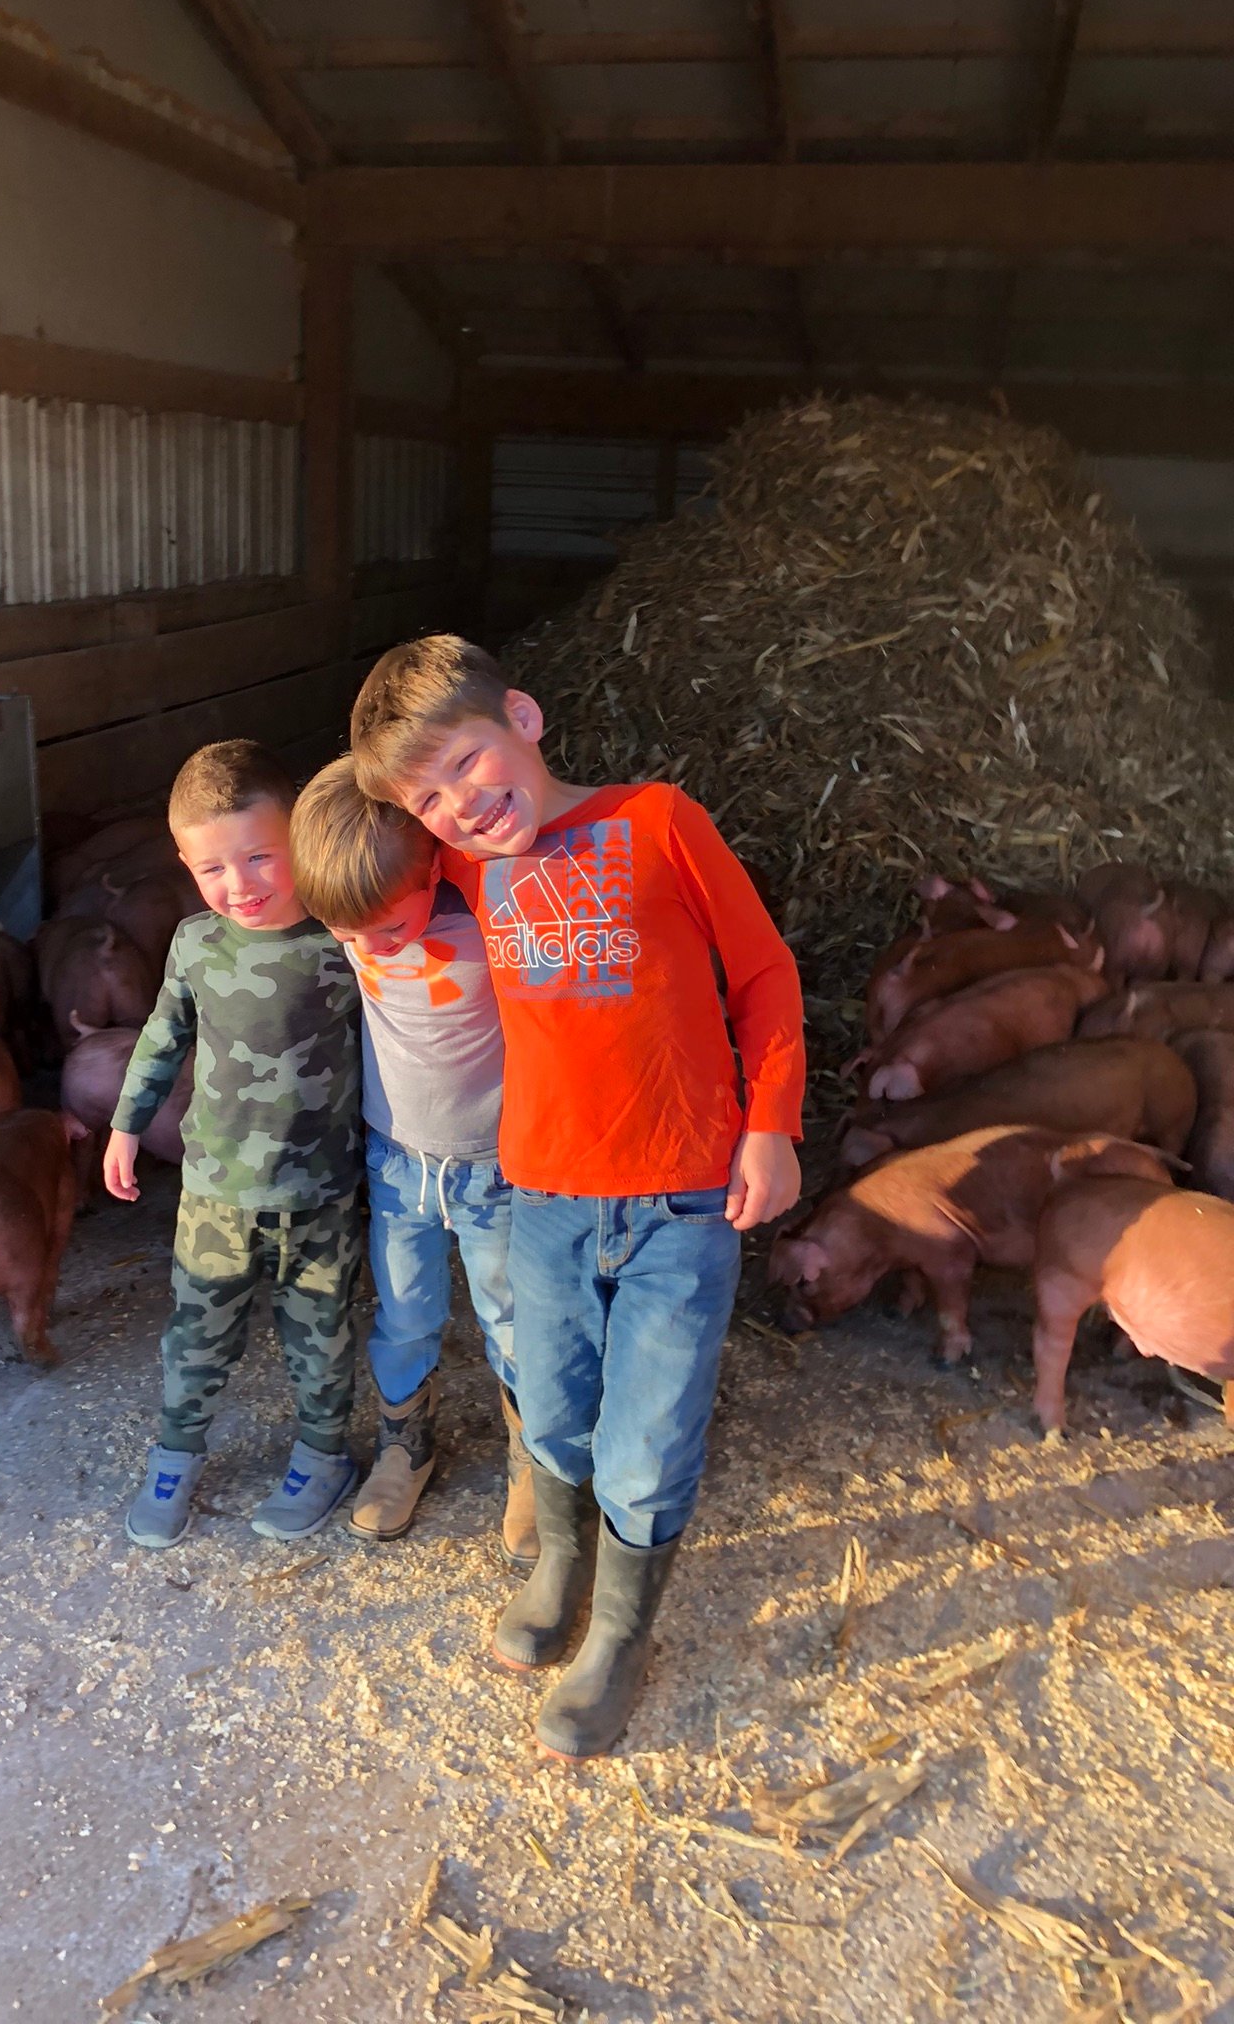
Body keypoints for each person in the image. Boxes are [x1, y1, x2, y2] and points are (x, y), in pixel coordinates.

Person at [350, 635, 806, 1759]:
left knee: (648, 1430)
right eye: (431, 797)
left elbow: (763, 971)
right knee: (547, 1399)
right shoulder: (458, 867)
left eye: (466, 760)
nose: (461, 803)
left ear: (523, 714)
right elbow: (347, 846)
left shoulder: (660, 819)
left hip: (681, 1198)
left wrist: (773, 1123)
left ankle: (619, 1633)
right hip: (541, 1193)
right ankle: (559, 1559)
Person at [104, 739, 362, 1548]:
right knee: (196, 1333)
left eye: (261, 857)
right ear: (183, 861)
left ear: (302, 841)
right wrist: (124, 1125)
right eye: (213, 869)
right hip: (215, 1191)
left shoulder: (346, 941)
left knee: (321, 1334)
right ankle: (176, 1455)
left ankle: (323, 1457)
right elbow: (160, 1036)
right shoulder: (194, 944)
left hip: (321, 1190)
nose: (240, 886)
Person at [289, 755, 535, 1564]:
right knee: (404, 1312)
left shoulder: (492, 920)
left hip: (493, 1165)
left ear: (435, 867)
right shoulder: (355, 912)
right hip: (398, 1162)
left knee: (509, 1314)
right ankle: (405, 1447)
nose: (367, 945)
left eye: (387, 928)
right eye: (346, 932)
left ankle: (532, 1463)